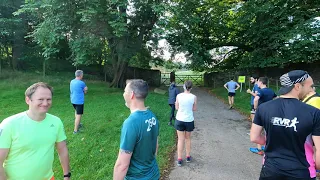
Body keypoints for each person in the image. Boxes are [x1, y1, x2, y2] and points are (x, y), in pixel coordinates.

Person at [251, 70, 320, 180]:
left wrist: (270, 140)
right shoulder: (314, 113)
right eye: (310, 86)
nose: (311, 90)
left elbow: (254, 137)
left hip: (271, 169)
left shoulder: (264, 108)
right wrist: (317, 167)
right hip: (302, 171)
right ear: (297, 86)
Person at [0, 82, 71, 180]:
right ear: (28, 100)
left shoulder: (56, 121)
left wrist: (67, 175)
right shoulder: (9, 124)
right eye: (41, 99)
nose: (45, 103)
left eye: (48, 99)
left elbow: (62, 149)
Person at [113, 79, 160, 180]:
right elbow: (156, 147)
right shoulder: (152, 116)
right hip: (154, 175)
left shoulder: (131, 123)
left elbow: (122, 165)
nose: (123, 94)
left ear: (132, 95)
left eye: (125, 91)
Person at [249, 77, 277, 155]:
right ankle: (267, 147)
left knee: (258, 131)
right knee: (267, 130)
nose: (257, 83)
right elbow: (276, 98)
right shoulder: (271, 90)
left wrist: (255, 108)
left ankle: (259, 149)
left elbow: (255, 99)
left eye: (258, 81)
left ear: (261, 82)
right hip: (270, 113)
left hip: (261, 113)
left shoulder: (260, 91)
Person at [175, 80, 197, 167]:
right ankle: (188, 156)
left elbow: (177, 107)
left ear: (184, 86)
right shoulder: (194, 97)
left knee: (180, 139)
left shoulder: (179, 96)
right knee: (188, 138)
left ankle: (179, 159)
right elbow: (194, 109)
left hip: (180, 119)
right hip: (189, 120)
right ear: (191, 88)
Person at [70, 70, 88, 134]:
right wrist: (86, 89)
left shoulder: (72, 81)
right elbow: (85, 92)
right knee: (79, 115)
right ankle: (75, 130)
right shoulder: (81, 83)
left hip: (73, 100)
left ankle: (79, 124)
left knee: (76, 111)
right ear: (81, 75)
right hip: (79, 101)